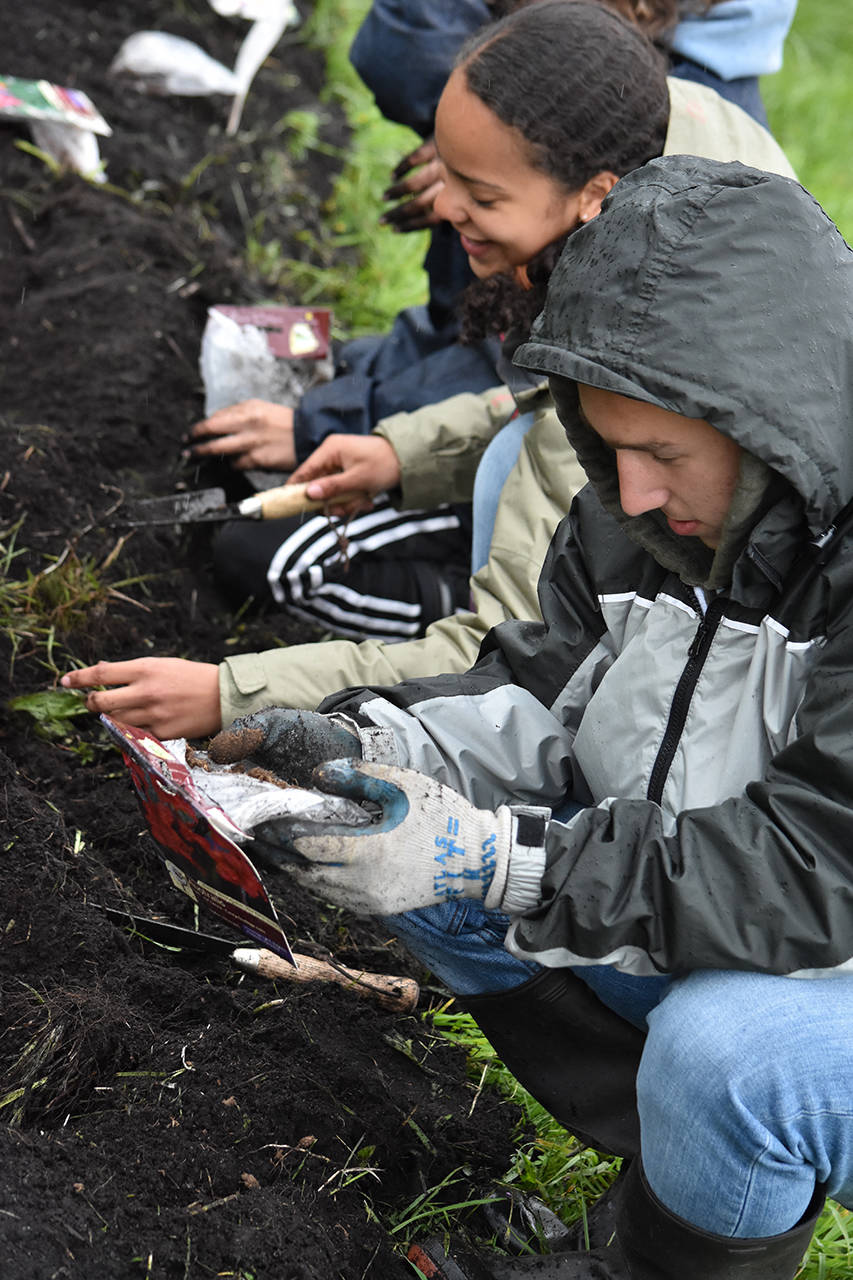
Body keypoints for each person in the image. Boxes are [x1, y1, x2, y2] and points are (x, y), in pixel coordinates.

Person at [206, 154, 853, 1278]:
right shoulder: (642, 521)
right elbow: (532, 690)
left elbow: (812, 867)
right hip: (758, 917)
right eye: (612, 447)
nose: (633, 490)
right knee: (423, 853)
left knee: (728, 1053)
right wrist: (372, 744)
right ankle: (674, 1191)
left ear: (769, 419)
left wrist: (504, 859)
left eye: (662, 451)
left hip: (820, 927)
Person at [60, 1, 795, 738]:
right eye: (446, 171)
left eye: (481, 195)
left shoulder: (633, 371)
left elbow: (507, 657)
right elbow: (540, 403)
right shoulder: (675, 148)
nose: (442, 207)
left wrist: (234, 693)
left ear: (592, 196)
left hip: (637, 700)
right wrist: (401, 453)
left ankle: (446, 588)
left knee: (283, 560)